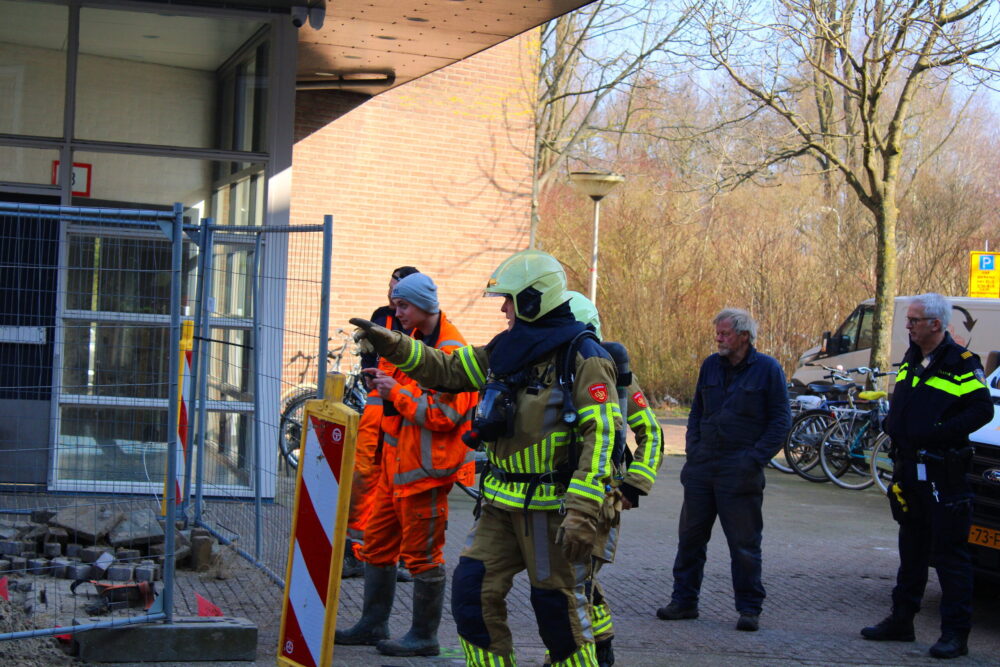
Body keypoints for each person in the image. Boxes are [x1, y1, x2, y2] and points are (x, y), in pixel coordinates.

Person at [351, 249, 623, 667]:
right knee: (472, 595)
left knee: (557, 613)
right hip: (499, 506)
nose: (504, 309)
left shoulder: (583, 357)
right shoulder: (506, 349)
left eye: (510, 300)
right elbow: (449, 370)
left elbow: (603, 435)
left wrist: (584, 509)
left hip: (551, 511)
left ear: (534, 299)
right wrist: (396, 345)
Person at [335, 272, 478, 657]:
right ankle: (372, 624)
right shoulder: (414, 341)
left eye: (402, 305)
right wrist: (384, 378)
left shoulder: (452, 352)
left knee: (422, 557)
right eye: (395, 304)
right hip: (394, 472)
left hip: (425, 477)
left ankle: (423, 636)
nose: (395, 312)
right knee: (376, 546)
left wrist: (393, 391)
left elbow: (443, 416)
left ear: (424, 306)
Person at [860, 293, 992, 659]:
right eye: (909, 320)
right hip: (909, 470)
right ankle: (901, 620)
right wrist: (893, 424)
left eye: (915, 320)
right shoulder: (913, 358)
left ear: (936, 323)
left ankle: (955, 634)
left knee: (950, 556)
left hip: (942, 473)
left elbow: (981, 410)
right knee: (911, 549)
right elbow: (906, 401)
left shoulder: (962, 362)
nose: (908, 325)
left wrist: (939, 432)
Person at [657, 308, 790, 632]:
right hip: (703, 468)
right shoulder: (710, 366)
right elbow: (697, 412)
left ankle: (749, 609)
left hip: (740, 470)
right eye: (717, 332)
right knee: (690, 539)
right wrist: (694, 447)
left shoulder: (768, 370)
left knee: (744, 545)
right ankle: (684, 602)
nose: (718, 338)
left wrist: (754, 459)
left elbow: (781, 421)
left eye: (725, 333)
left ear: (744, 336)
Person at [564, 291, 664, 667]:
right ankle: (602, 645)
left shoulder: (614, 376)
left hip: (599, 500)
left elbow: (651, 434)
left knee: (572, 585)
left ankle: (578, 655)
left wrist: (632, 485)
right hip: (566, 497)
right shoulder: (558, 373)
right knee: (579, 581)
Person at [343, 265, 420, 579]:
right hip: (378, 409)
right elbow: (370, 357)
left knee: (397, 481)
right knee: (363, 476)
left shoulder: (419, 323)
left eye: (397, 291)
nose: (391, 295)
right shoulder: (381, 316)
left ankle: (395, 554)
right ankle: (354, 550)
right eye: (390, 289)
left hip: (401, 410)